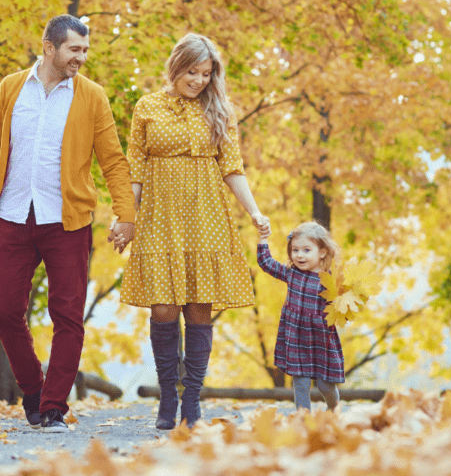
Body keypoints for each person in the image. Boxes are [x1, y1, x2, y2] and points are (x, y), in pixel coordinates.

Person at [0, 15, 136, 434]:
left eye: (84, 50)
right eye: (74, 50)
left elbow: (113, 160)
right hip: (11, 216)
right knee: (6, 312)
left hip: (67, 221)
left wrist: (126, 215)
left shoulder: (92, 97)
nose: (81, 57)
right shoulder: (10, 88)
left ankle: (53, 408)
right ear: (49, 47)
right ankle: (32, 389)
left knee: (67, 317)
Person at [120, 33, 271, 429]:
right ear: (176, 66)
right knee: (163, 306)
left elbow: (233, 167)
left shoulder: (219, 110)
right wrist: (126, 218)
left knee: (199, 307)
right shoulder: (147, 107)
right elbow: (134, 169)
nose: (199, 80)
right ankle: (167, 395)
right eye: (192, 71)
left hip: (207, 217)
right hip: (159, 218)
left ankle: (192, 401)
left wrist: (254, 211)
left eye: (206, 74)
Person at [256, 221, 344, 412]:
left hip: (321, 339)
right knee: (301, 384)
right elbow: (266, 263)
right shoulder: (291, 274)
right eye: (295, 250)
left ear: (321, 252)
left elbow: (343, 304)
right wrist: (263, 238)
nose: (299, 255)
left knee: (324, 386)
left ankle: (335, 409)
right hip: (297, 337)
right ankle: (303, 421)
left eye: (306, 250)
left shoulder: (329, 280)